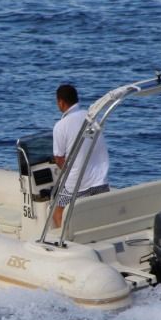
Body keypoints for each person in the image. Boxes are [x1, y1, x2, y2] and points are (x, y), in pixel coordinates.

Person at [52, 83, 110, 227]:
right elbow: (88, 141)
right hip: (100, 182)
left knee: (57, 212)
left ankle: (63, 243)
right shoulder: (90, 117)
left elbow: (59, 159)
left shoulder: (61, 126)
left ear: (61, 102)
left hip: (77, 185)